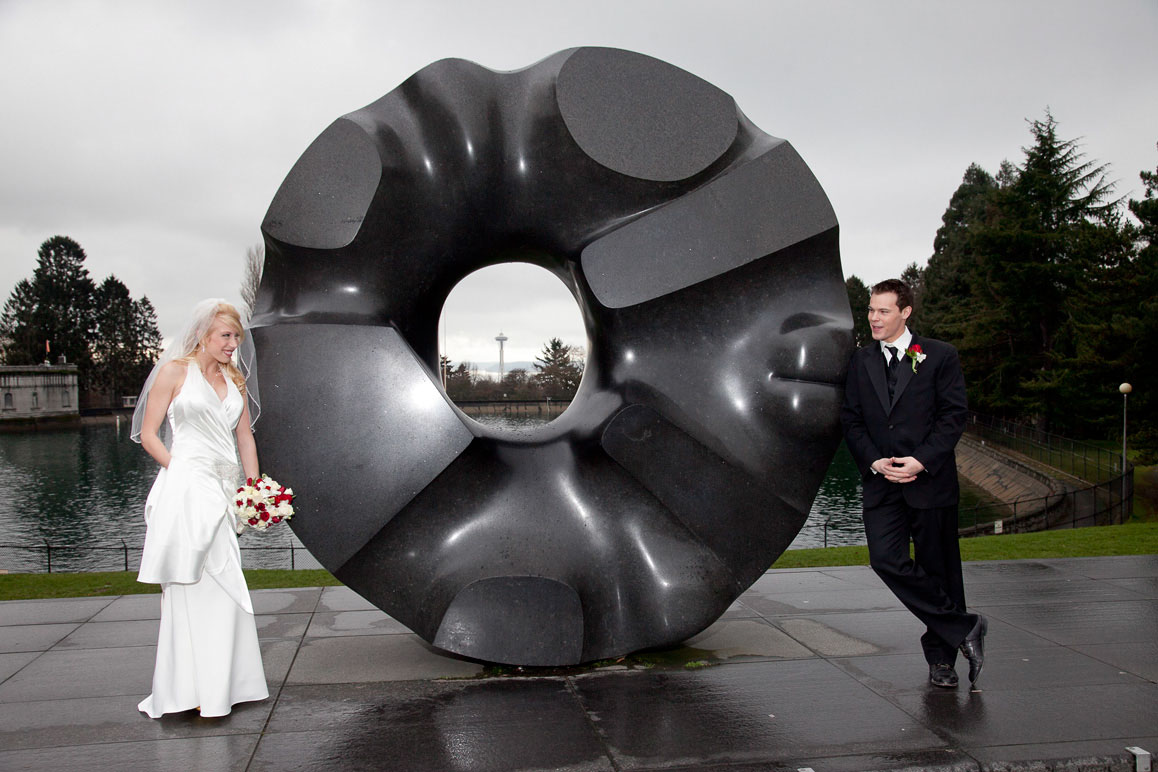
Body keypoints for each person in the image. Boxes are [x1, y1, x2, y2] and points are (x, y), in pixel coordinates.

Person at [839, 279, 987, 688]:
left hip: (930, 482)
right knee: (885, 559)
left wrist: (920, 462)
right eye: (871, 310)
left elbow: (953, 417)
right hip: (882, 483)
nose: (874, 318)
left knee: (939, 571)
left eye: (883, 311)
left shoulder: (939, 355)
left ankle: (942, 661)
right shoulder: (859, 361)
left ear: (905, 312)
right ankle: (965, 626)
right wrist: (873, 460)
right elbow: (850, 419)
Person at [131, 299, 268, 717]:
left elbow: (245, 438)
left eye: (236, 337)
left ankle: (226, 685)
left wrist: (254, 489)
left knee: (224, 580)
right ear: (203, 335)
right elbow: (149, 435)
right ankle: (186, 689)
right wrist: (181, 471)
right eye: (226, 336)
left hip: (224, 491)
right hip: (187, 488)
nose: (233, 344)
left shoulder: (236, 380)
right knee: (189, 583)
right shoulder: (174, 372)